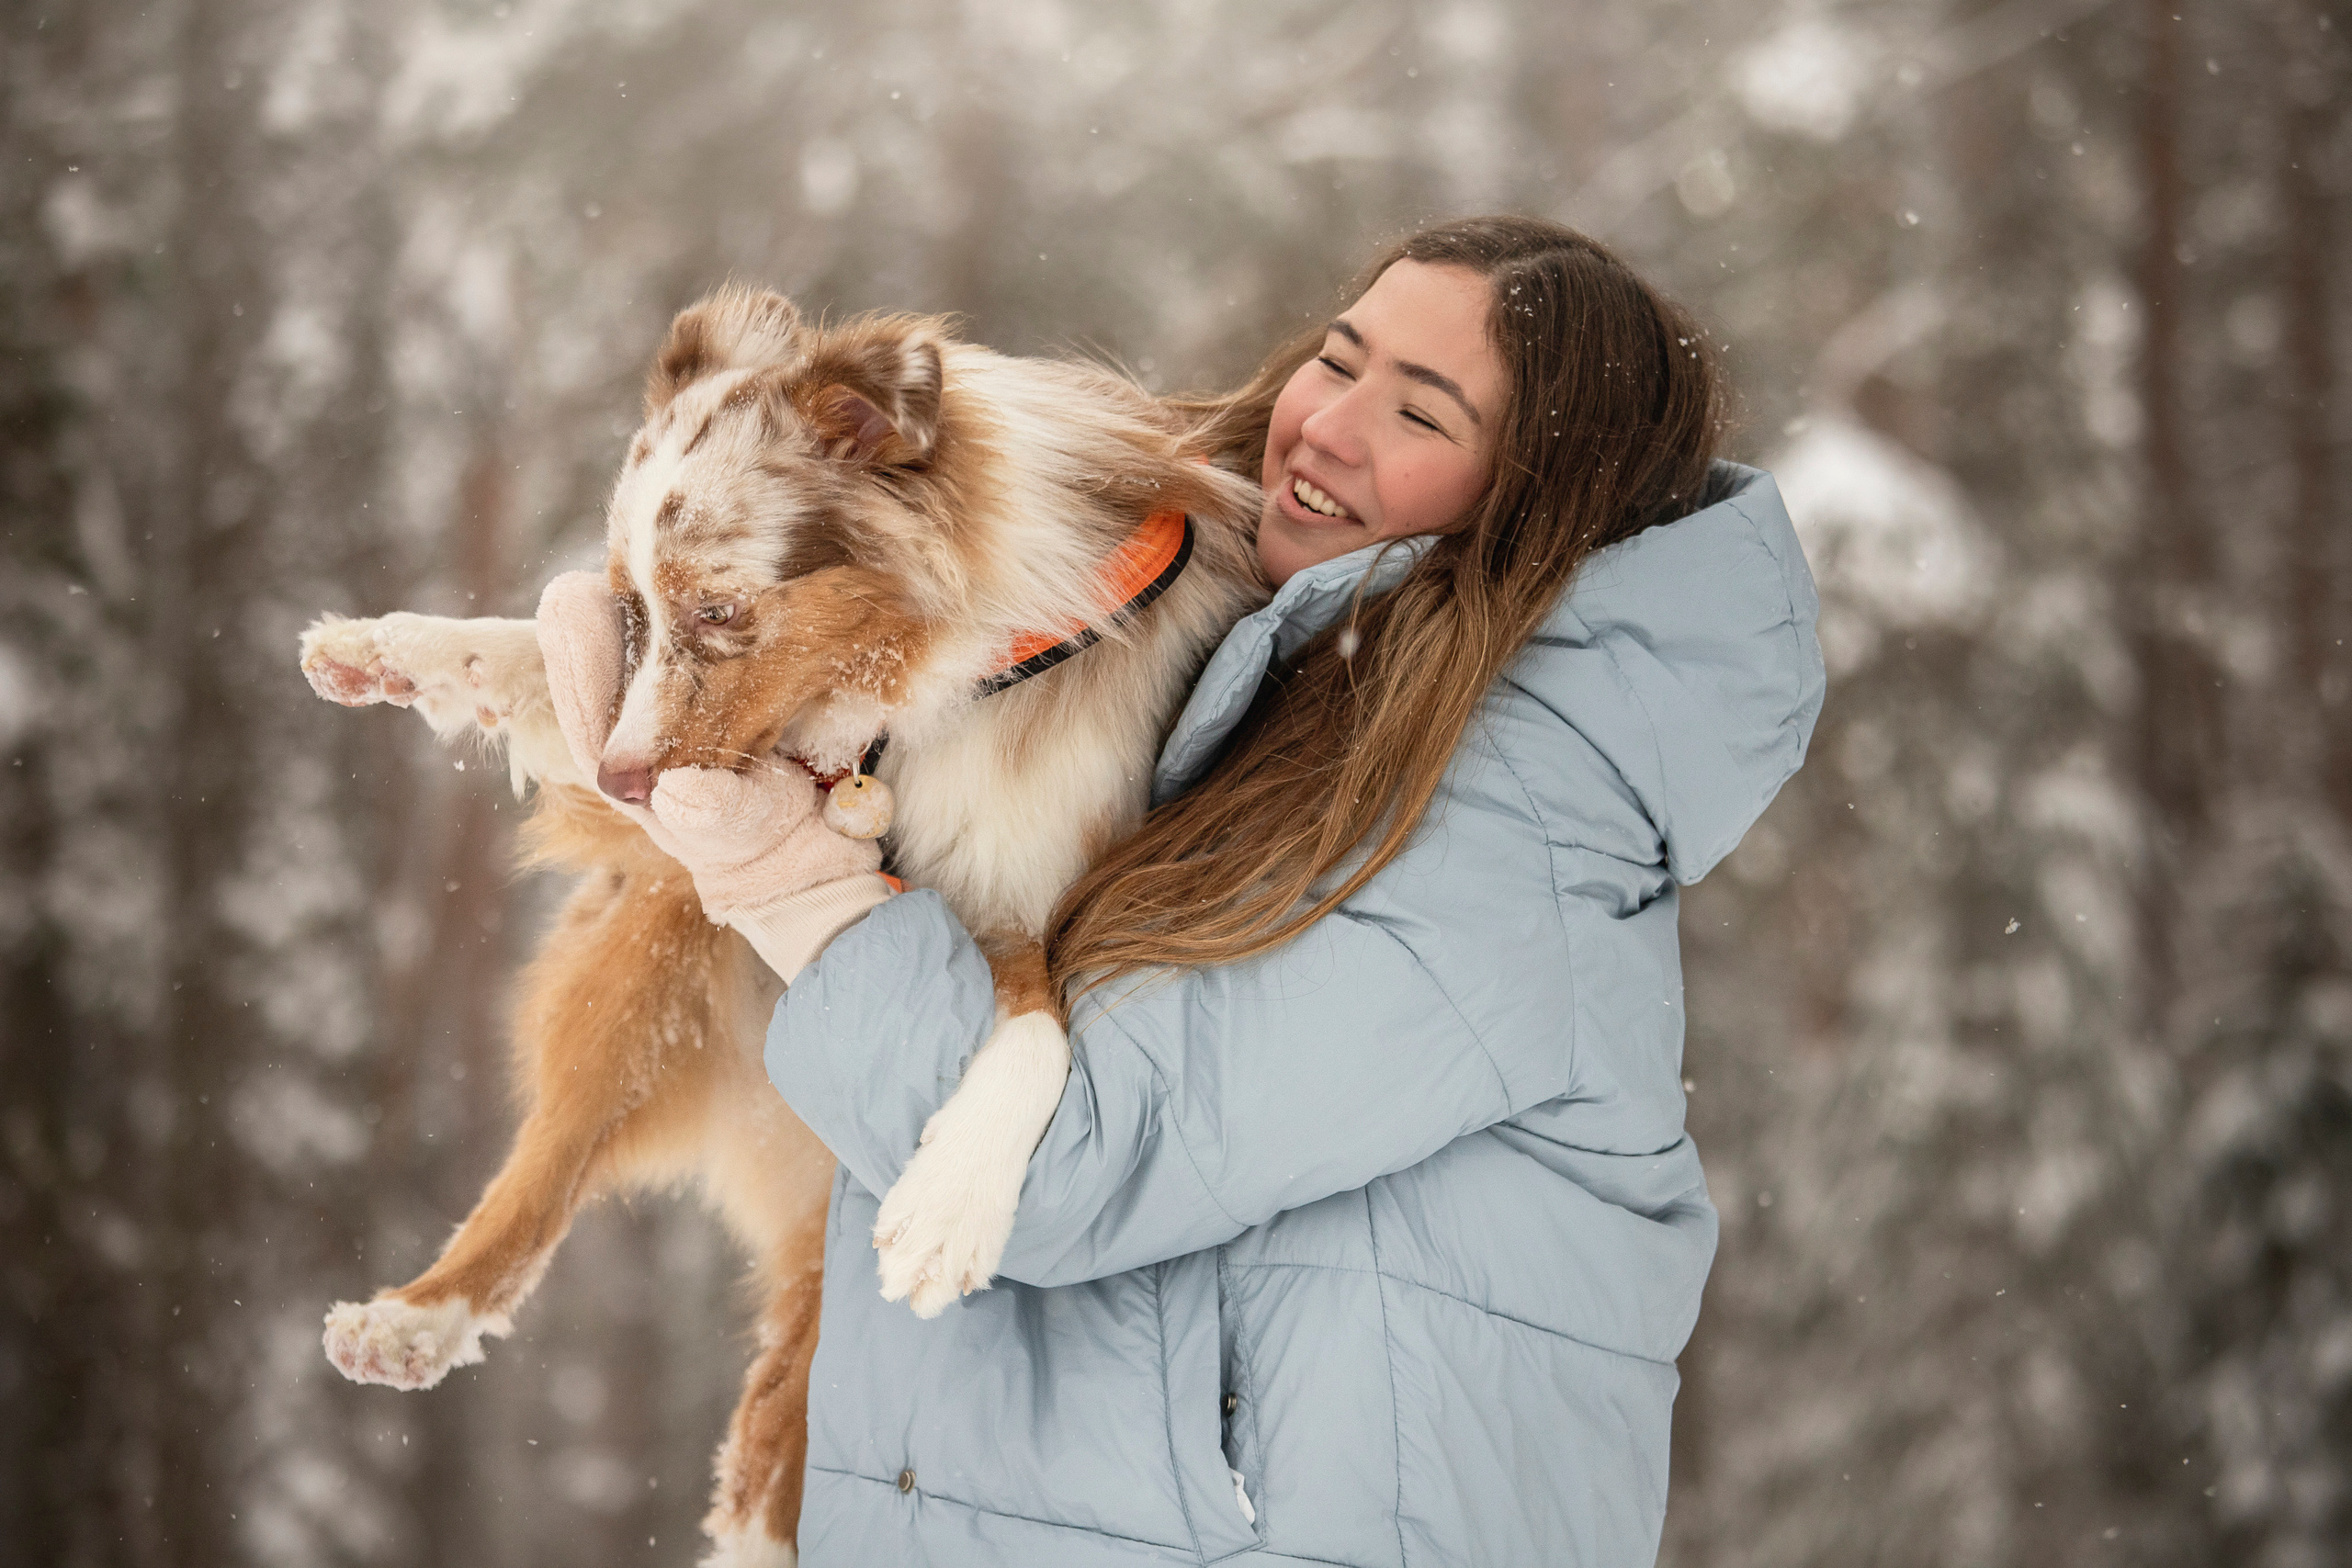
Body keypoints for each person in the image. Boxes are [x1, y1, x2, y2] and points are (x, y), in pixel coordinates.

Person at [572, 216, 1825, 1565]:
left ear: (1534, 497)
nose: (1328, 427)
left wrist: (787, 879)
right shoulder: (1232, 661)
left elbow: (1060, 1168)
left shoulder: (1515, 821)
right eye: (1338, 360)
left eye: (1419, 410)